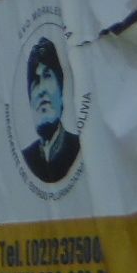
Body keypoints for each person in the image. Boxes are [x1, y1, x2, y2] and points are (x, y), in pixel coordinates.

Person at [21, 37, 81, 184]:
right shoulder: (27, 158)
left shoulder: (78, 147)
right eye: (35, 81)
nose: (41, 90)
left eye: (47, 76)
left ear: (61, 89)